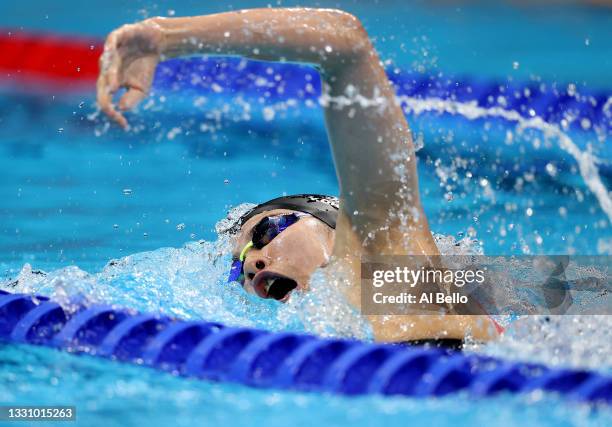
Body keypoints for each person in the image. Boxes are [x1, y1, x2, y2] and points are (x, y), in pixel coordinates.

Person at [97, 8, 500, 344]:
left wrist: (164, 38)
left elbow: (345, 42)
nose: (253, 262)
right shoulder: (336, 327)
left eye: (264, 232)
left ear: (332, 225)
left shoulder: (392, 259)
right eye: (239, 266)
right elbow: (555, 297)